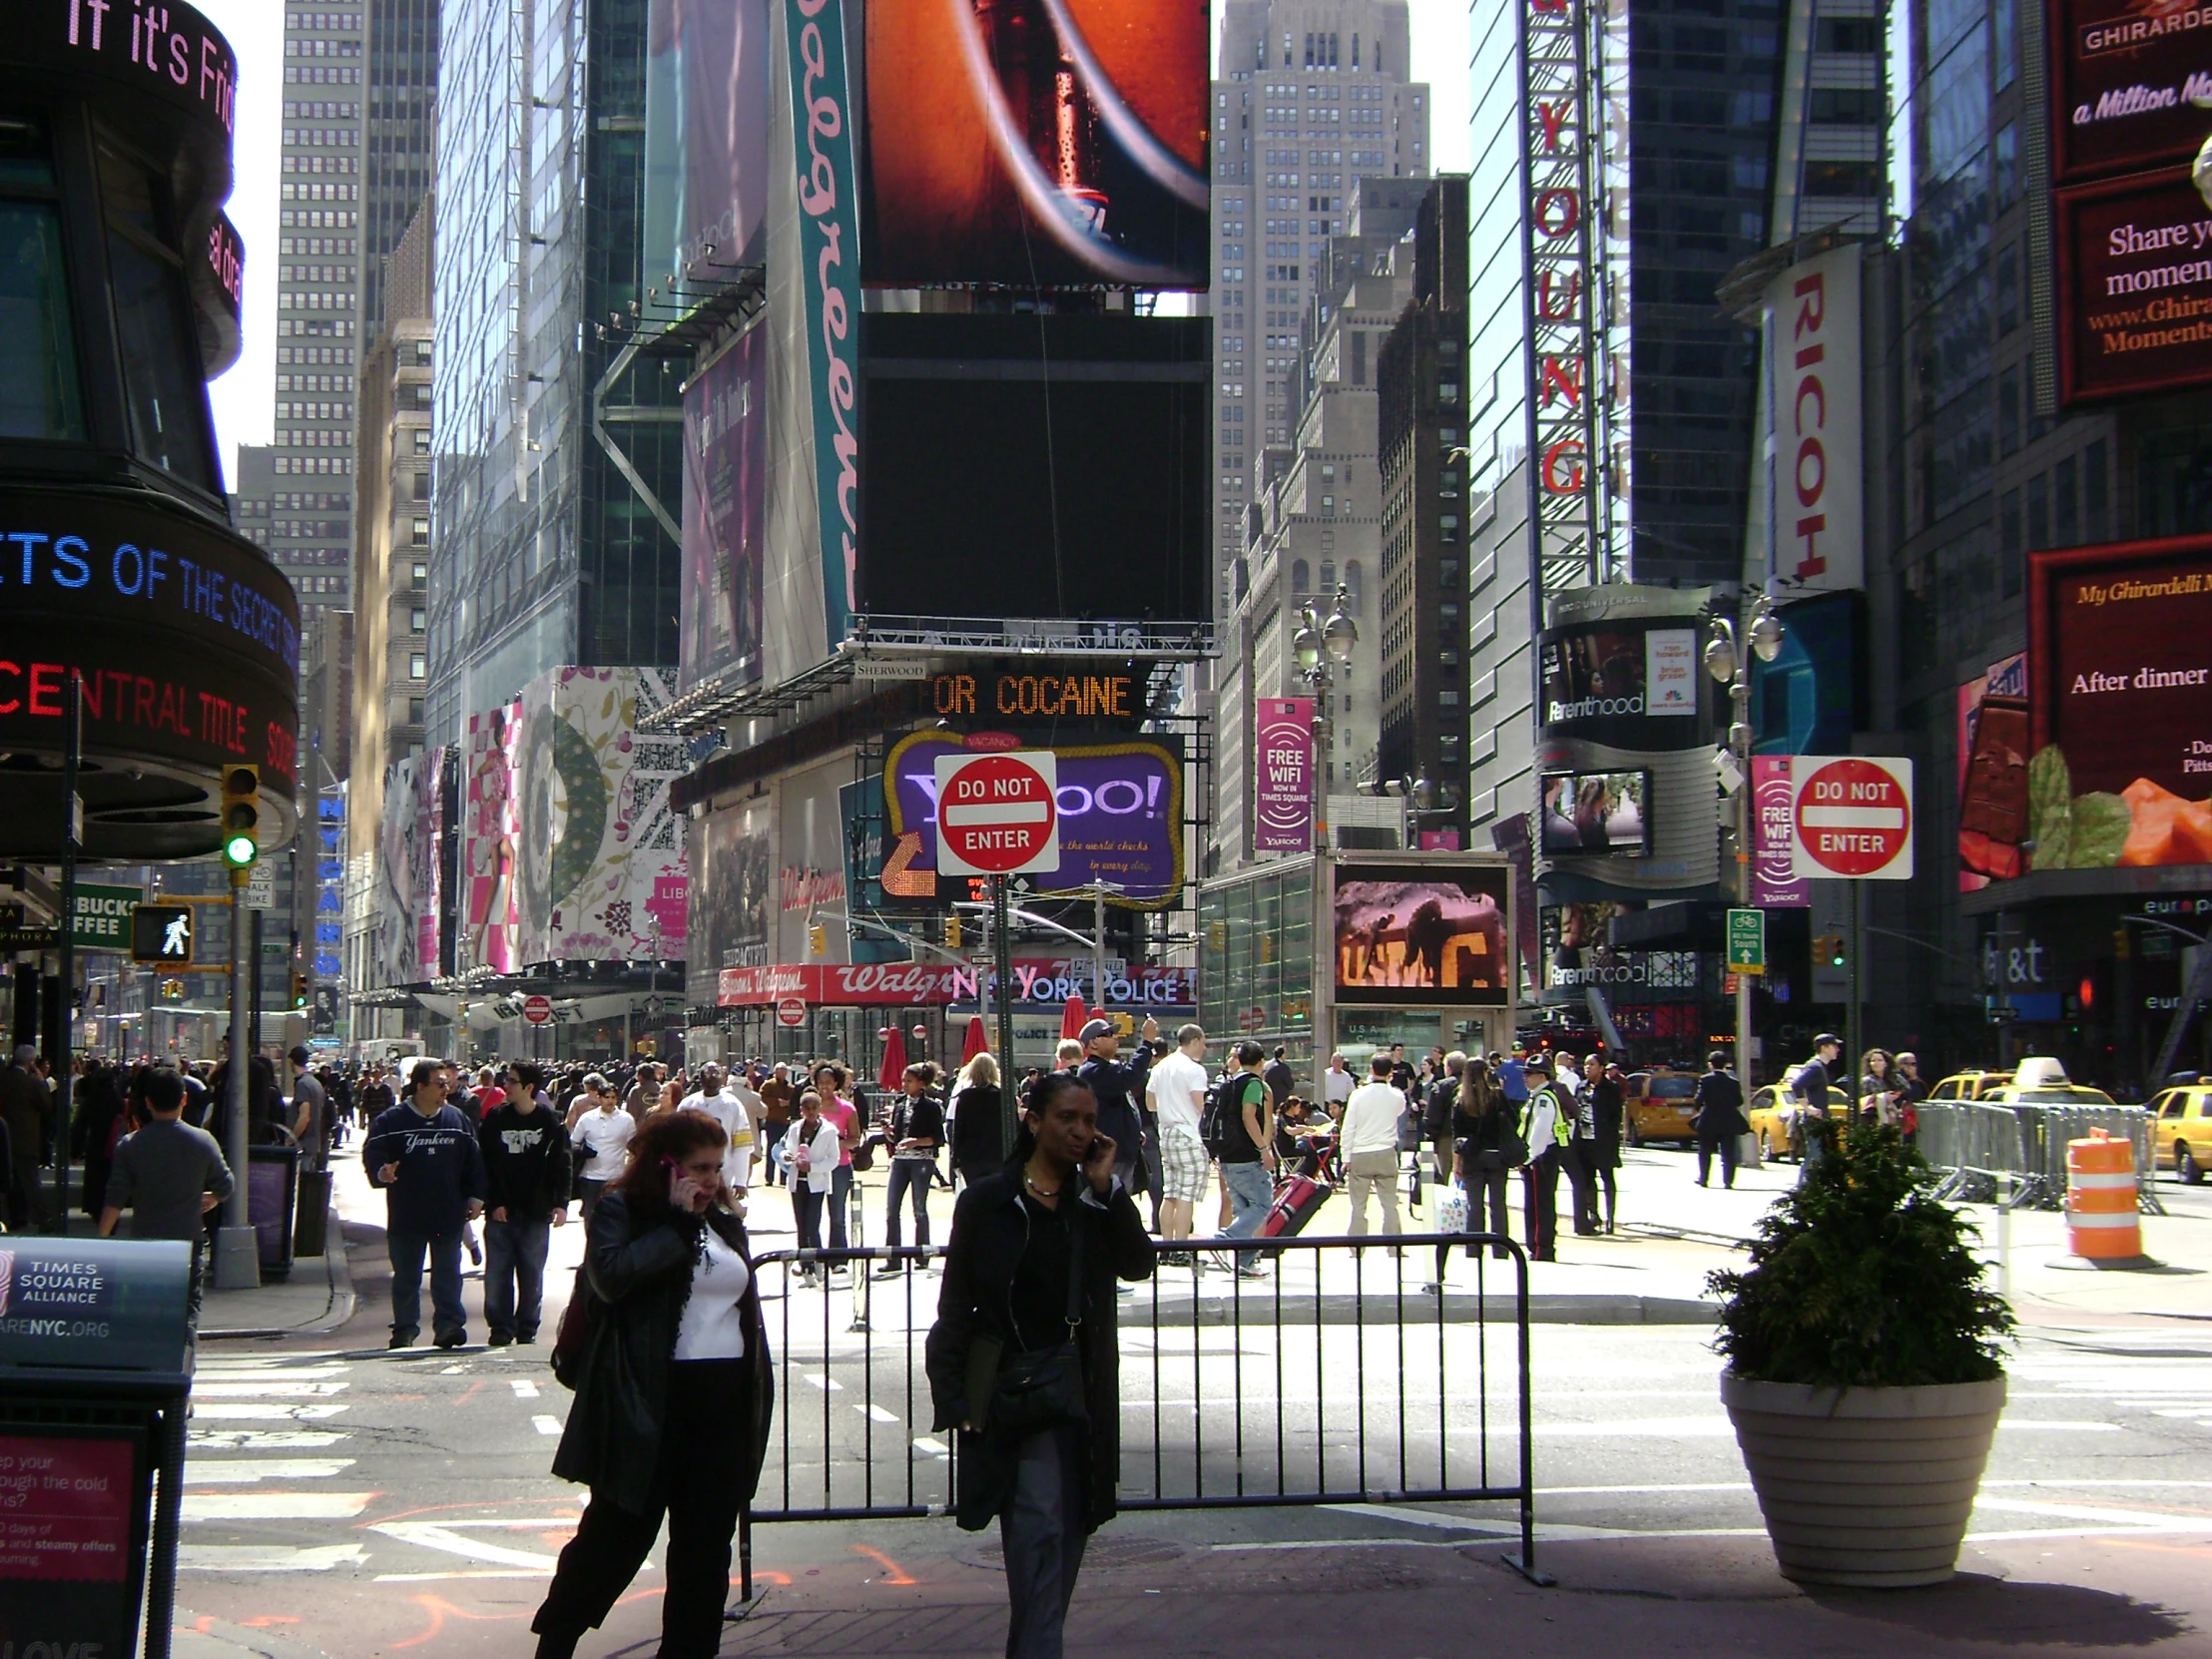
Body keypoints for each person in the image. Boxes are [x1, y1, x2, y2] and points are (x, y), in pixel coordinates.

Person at [924, 1071, 1154, 1659]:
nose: (1081, 1132)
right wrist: (953, 1396)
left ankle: (1033, 1644)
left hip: (1084, 1387)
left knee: (1069, 1531)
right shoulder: (989, 1202)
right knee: (1038, 1532)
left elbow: (1137, 1264)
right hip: (1016, 1391)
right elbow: (956, 1301)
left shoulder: (1091, 1200)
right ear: (1033, 1121)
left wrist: (1108, 1191)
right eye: (1067, 1119)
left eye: (1089, 1122)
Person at [534, 1110, 774, 1659]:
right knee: (614, 1538)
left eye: (716, 1167)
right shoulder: (625, 1211)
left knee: (706, 1550)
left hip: (722, 1404)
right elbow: (613, 1278)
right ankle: (558, 1639)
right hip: (649, 1397)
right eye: (698, 1167)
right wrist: (678, 1222)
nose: (711, 1179)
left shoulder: (722, 1217)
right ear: (664, 1165)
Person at [365, 1059, 487, 1349]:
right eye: (440, 1083)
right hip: (407, 1215)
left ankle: (449, 1326)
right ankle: (405, 1329)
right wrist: (382, 1172)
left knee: (448, 1274)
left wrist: (476, 1196)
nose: (447, 1088)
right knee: (407, 1276)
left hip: (448, 1212)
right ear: (420, 1086)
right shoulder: (391, 1121)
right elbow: (374, 1155)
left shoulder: (457, 1120)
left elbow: (474, 1162)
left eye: (448, 1082)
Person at [97, 1067, 234, 1322]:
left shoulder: (130, 1145)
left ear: (147, 1103)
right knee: (187, 1309)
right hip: (187, 1239)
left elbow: (115, 1198)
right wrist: (212, 1197)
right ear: (184, 1099)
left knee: (145, 1310)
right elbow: (226, 1184)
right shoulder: (203, 1142)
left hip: (146, 1241)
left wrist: (102, 1239)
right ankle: (184, 1357)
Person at [479, 1075, 573, 1346]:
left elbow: (562, 1163)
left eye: (512, 1081)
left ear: (529, 1088)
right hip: (501, 1210)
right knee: (497, 1272)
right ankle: (500, 1326)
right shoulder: (496, 1118)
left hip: (536, 1210)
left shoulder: (551, 1121)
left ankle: (527, 1327)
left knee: (532, 1272)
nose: (505, 1086)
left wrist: (561, 1203)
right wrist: (492, 1202)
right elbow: (484, 1162)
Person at [1074, 1017, 1159, 1207]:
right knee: (1110, 1207)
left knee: (1116, 1206)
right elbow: (1128, 1078)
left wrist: (1133, 1129)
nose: (1115, 1038)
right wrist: (1146, 1044)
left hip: (1118, 1154)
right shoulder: (1092, 1070)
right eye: (1108, 1034)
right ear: (1093, 1043)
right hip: (1107, 1156)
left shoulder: (1105, 1068)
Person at [1144, 1024, 1210, 1256]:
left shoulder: (1160, 1067)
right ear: (1194, 1040)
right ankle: (1181, 1248)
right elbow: (1200, 1104)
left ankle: (1166, 1246)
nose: (1203, 1048)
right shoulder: (1194, 1070)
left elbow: (1150, 1103)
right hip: (1187, 1132)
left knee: (1170, 1192)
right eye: (1202, 1043)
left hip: (1166, 1132)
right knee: (1186, 1195)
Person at [1214, 1040, 1275, 1277]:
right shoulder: (1253, 1084)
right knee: (1261, 1204)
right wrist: (1264, 1148)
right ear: (1261, 1062)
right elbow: (1249, 1116)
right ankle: (1224, 1239)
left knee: (1244, 1209)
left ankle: (1244, 1262)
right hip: (1246, 1156)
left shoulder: (1228, 1083)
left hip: (1227, 1156)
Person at [878, 1062, 944, 1272]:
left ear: (921, 1083)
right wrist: (889, 1132)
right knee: (892, 1208)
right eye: (904, 1081)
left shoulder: (931, 1106)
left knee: (919, 1208)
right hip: (900, 1159)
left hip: (921, 1160)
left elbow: (937, 1138)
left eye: (909, 1081)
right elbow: (898, 1134)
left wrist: (916, 1142)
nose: (905, 1085)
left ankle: (921, 1253)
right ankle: (893, 1255)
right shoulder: (899, 1104)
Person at [1339, 1054, 1406, 1246]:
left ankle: (1357, 1245)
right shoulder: (1397, 1096)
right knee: (1390, 1204)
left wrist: (1345, 1157)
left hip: (1361, 1152)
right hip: (1386, 1151)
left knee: (1358, 1205)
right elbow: (1399, 1111)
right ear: (1391, 1073)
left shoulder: (1358, 1095)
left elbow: (1348, 1127)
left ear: (1371, 1070)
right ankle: (1394, 1245)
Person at [1451, 1059, 1514, 1258]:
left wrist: (1456, 1164)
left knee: (1474, 1205)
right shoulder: (1496, 1096)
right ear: (1486, 1072)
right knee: (1498, 1204)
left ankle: (1474, 1248)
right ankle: (1501, 1248)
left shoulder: (1461, 1100)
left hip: (1472, 1157)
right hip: (1496, 1155)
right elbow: (1513, 1120)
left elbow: (1457, 1135)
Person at [783, 1090, 841, 1286]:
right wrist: (787, 1156)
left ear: (819, 1108)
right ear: (801, 1110)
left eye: (814, 1108)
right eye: (806, 1108)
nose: (810, 1112)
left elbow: (834, 1159)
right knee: (801, 1224)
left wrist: (813, 1168)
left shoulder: (829, 1130)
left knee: (812, 1224)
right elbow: (787, 1149)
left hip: (816, 1184)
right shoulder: (794, 1129)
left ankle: (819, 1263)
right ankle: (805, 1265)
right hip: (797, 1182)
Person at [1517, 1055, 1571, 1263]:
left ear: (1541, 1076)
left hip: (1542, 1157)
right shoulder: (1537, 1096)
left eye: (1529, 1073)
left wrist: (1528, 1157)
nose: (1525, 1077)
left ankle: (1542, 1248)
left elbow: (1540, 1132)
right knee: (1536, 1203)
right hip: (1539, 1157)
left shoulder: (1544, 1098)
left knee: (1540, 1205)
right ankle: (1537, 1246)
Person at [677, 1064, 757, 1196]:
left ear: (723, 1078)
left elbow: (742, 1147)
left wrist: (741, 1182)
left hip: (723, 1176)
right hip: (692, 1175)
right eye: (708, 1073)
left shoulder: (733, 1105)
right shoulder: (687, 1105)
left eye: (716, 1073)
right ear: (700, 1078)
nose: (712, 1076)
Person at [0, 1044, 51, 1233]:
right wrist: (42, 1081)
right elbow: (46, 1105)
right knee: (30, 1180)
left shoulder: (4, 1078)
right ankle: (41, 1218)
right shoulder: (32, 1083)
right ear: (31, 1062)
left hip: (5, 1137)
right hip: (26, 1138)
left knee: (9, 1178)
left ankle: (15, 1216)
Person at [571, 1078, 637, 1220]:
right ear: (599, 1098)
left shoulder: (626, 1120)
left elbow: (633, 1147)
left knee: (615, 1217)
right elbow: (573, 1143)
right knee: (591, 1217)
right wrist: (582, 1152)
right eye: (606, 1097)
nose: (610, 1101)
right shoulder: (587, 1119)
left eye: (613, 1097)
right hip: (590, 1178)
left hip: (616, 1177)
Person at [1573, 1053, 1623, 1234]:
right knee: (1587, 1180)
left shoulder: (1611, 1088)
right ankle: (1593, 1214)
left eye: (1592, 1065)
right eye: (1586, 1065)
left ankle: (1611, 1217)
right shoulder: (1580, 1087)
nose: (1588, 1068)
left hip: (1603, 1142)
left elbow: (1615, 1114)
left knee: (1607, 1178)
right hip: (1584, 1141)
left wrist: (1609, 1132)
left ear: (1601, 1068)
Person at [1690, 1050, 1749, 1189]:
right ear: (1725, 1065)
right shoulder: (1733, 1082)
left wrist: (1699, 1108)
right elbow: (1739, 1101)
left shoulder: (1706, 1080)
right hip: (1728, 1121)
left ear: (1710, 1065)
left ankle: (1704, 1179)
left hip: (1708, 1120)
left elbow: (1699, 1099)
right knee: (1728, 1153)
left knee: (1705, 1151)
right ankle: (1728, 1181)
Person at [948, 1052, 1006, 1189]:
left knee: (975, 1196)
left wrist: (955, 1158)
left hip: (971, 1157)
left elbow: (959, 1130)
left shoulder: (965, 1096)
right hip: (997, 1155)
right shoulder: (1003, 1096)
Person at [1790, 1033, 1844, 1160]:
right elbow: (1796, 1084)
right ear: (1824, 1047)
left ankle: (1807, 1180)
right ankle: (1804, 1181)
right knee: (1814, 1158)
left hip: (1817, 1120)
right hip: (1814, 1121)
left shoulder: (1818, 1066)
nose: (1838, 1050)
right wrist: (1808, 1108)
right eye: (1834, 1046)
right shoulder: (1816, 1066)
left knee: (1817, 1158)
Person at [287, 1046, 330, 1173]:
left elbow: (304, 1117)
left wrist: (290, 1140)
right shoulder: (315, 1083)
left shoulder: (302, 1084)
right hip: (314, 1144)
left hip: (303, 1146)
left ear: (291, 1061)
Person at [758, 1064, 793, 1185]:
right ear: (775, 1071)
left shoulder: (790, 1088)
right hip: (772, 1121)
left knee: (785, 1150)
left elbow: (795, 1101)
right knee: (771, 1149)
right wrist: (777, 1102)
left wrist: (788, 1103)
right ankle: (769, 1177)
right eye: (779, 1070)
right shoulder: (768, 1085)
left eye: (784, 1070)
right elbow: (761, 1098)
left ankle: (784, 1177)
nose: (782, 1073)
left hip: (785, 1122)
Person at [1859, 1048, 1901, 1129]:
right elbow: (1865, 1100)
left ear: (1886, 1063)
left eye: (1879, 1060)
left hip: (1892, 1113)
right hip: (1874, 1117)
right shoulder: (1867, 1080)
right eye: (1873, 1061)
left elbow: (1906, 1088)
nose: (1876, 1063)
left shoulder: (1892, 1078)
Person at [1262, 1046, 1297, 1114]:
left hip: (1267, 1098)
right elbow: (1290, 1085)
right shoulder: (1283, 1068)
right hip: (1280, 1101)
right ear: (1283, 1055)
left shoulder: (1266, 1065)